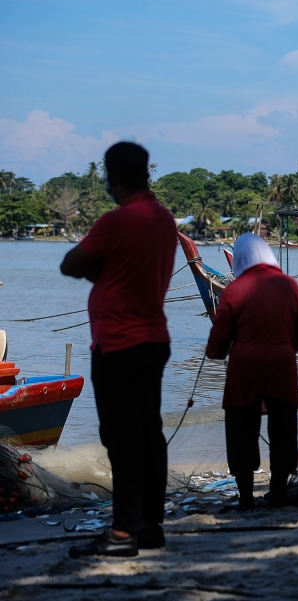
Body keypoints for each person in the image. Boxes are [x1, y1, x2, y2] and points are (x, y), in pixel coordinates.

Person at [61, 142, 176, 558]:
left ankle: (124, 532)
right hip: (153, 339)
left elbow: (70, 264)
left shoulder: (117, 221)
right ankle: (150, 525)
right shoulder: (164, 220)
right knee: (148, 434)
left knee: (122, 436)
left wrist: (97, 270)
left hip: (118, 343)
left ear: (113, 177)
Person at [206, 233, 298, 510]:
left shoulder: (234, 290)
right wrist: (285, 350)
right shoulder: (288, 285)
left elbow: (217, 343)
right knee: (283, 429)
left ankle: (246, 498)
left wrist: (217, 352)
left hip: (245, 368)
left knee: (242, 429)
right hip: (282, 365)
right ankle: (278, 492)